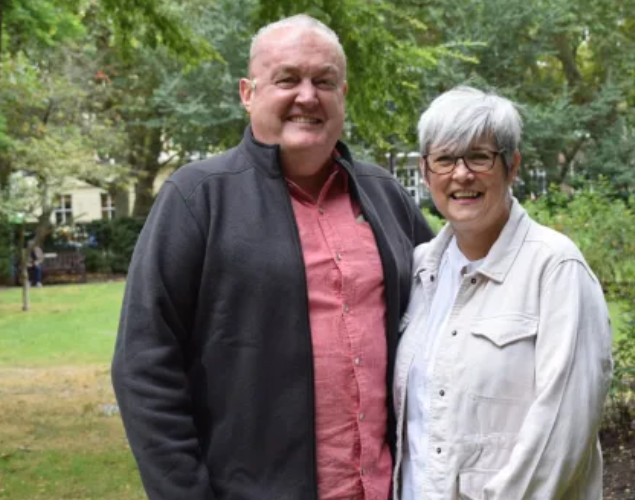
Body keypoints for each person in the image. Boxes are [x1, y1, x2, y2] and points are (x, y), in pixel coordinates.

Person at [111, 14, 433, 500]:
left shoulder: (385, 196)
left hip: (388, 487)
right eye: (288, 79)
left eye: (324, 81)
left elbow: (446, 312)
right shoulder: (198, 197)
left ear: (342, 94)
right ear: (248, 92)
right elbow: (144, 363)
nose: (308, 95)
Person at [392, 87, 613, 500]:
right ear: (425, 172)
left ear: (512, 166)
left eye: (479, 156)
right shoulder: (422, 270)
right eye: (444, 159)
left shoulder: (555, 269)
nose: (461, 175)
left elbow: (559, 439)